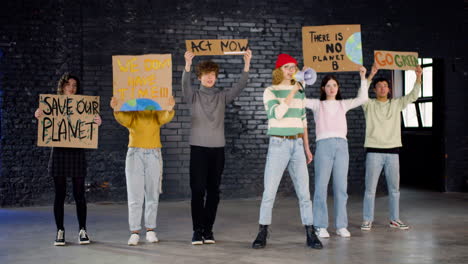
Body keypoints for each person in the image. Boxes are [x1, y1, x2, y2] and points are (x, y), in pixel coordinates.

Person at [251, 53, 322, 250]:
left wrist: (307, 148)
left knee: (304, 193)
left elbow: (303, 122)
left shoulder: (300, 92)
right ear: (279, 70)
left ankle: (310, 232)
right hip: (278, 145)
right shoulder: (270, 91)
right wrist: (292, 91)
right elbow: (278, 114)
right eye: (287, 67)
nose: (291, 70)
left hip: (298, 145)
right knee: (269, 192)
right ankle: (262, 232)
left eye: (293, 67)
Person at [182, 49, 252, 245]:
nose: (210, 78)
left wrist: (246, 64)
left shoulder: (222, 97)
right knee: (197, 190)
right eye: (206, 75)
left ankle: (208, 230)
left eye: (212, 75)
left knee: (214, 191)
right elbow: (184, 86)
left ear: (215, 76)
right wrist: (187, 64)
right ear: (200, 77)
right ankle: (197, 230)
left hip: (217, 150)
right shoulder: (193, 96)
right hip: (198, 149)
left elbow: (240, 86)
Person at [34, 73, 102, 246]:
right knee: (60, 194)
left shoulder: (84, 106)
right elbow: (47, 126)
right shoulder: (52, 105)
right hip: (59, 152)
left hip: (77, 153)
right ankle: (60, 231)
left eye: (74, 86)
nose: (72, 88)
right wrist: (39, 116)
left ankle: (82, 230)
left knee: (79, 194)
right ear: (62, 87)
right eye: (68, 85)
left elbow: (88, 128)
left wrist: (97, 122)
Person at [305, 67, 368, 238]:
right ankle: (320, 225)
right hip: (324, 145)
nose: (331, 88)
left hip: (342, 146)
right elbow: (299, 100)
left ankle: (341, 225)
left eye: (334, 85)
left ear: (338, 88)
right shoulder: (317, 105)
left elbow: (363, 98)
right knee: (321, 186)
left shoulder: (343, 104)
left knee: (341, 187)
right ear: (323, 88)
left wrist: (363, 77)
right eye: (328, 85)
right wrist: (303, 78)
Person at [361, 64, 422, 231]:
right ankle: (367, 220)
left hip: (393, 152)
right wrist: (371, 75)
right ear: (374, 89)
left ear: (389, 89)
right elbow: (361, 94)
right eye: (379, 86)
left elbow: (413, 96)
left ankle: (394, 219)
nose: (382, 88)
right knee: (370, 189)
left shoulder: (396, 104)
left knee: (395, 189)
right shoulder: (369, 105)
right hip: (374, 152)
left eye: (385, 86)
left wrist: (418, 77)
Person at [110, 95, 175, 245]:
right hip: (135, 153)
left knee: (152, 194)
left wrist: (169, 107)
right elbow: (125, 120)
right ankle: (135, 232)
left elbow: (164, 118)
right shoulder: (133, 106)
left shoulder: (154, 106)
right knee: (135, 194)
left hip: (153, 152)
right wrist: (116, 108)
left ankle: (150, 230)